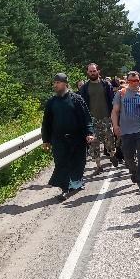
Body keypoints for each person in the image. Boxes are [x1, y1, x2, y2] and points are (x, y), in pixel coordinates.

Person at [41, 73, 95, 201]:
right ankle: (65, 189)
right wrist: (46, 140)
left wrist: (89, 133)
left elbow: (86, 118)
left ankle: (76, 182)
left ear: (65, 83)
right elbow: (46, 122)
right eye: (54, 83)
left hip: (77, 139)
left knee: (78, 163)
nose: (55, 85)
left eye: (58, 83)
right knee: (61, 163)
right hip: (59, 140)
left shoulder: (77, 99)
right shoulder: (51, 102)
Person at [111, 71, 140, 191]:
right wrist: (115, 126)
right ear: (127, 81)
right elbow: (115, 111)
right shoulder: (121, 93)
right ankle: (134, 172)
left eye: (136, 80)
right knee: (128, 157)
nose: (134, 83)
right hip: (126, 130)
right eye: (131, 81)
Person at [79, 63, 117, 172]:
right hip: (92, 120)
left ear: (98, 71)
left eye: (94, 71)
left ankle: (112, 155)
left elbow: (113, 101)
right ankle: (99, 166)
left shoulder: (106, 85)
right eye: (90, 71)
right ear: (87, 72)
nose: (92, 73)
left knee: (109, 140)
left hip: (106, 118)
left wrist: (114, 116)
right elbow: (82, 105)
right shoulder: (85, 88)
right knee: (94, 144)